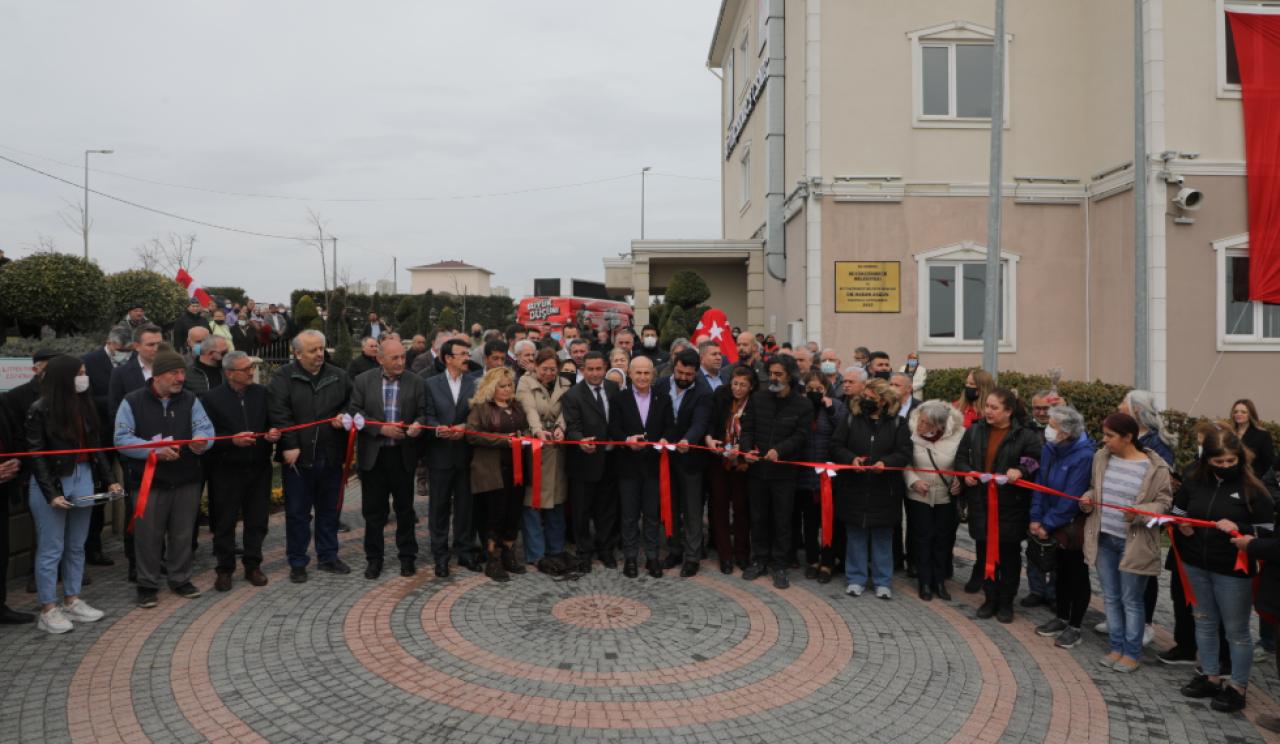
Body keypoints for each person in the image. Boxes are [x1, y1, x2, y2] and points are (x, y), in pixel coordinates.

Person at [1173, 426, 1273, 711]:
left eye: (1232, 461)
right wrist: (1181, 524)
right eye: (1219, 462)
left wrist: (1239, 528)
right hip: (1196, 564)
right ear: (1207, 460)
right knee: (1204, 622)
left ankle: (1238, 687)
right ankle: (1210, 676)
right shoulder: (1193, 480)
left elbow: (1268, 532)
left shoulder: (1254, 489)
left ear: (1240, 457)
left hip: (1233, 572)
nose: (1226, 466)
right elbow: (1176, 511)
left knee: (1236, 631)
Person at [26, 355, 121, 633]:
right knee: (51, 547)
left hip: (83, 477)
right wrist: (51, 493)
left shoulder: (84, 405)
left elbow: (95, 447)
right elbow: (36, 455)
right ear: (64, 377)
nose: (84, 378)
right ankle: (48, 608)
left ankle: (72, 599)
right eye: (79, 373)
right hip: (54, 480)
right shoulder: (39, 409)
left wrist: (110, 481)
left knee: (76, 544)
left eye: (84, 372)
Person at [115, 349, 214, 608]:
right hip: (149, 482)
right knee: (148, 536)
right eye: (174, 373)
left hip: (186, 479)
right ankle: (147, 584)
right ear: (157, 375)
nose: (181, 378)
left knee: (183, 534)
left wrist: (202, 441)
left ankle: (180, 579)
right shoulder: (132, 401)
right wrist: (154, 450)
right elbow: (122, 439)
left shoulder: (190, 399)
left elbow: (205, 428)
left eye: (182, 372)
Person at [1077, 412, 1173, 673]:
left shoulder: (1155, 467)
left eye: (1110, 435)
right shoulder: (1101, 458)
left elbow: (1164, 503)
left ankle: (1132, 652)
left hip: (1135, 543)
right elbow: (1095, 488)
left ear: (1128, 437)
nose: (1104, 440)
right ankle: (1116, 647)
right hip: (1104, 538)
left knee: (1131, 599)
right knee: (1110, 597)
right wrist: (1088, 498)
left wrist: (1141, 512)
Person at [266, 330, 353, 584]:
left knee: (330, 511)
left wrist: (344, 416)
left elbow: (353, 402)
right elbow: (279, 413)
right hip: (298, 459)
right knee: (297, 513)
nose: (319, 354)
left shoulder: (338, 375)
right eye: (313, 350)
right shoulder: (283, 377)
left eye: (321, 348)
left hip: (331, 454)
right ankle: (297, 561)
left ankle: (328, 556)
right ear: (297, 353)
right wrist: (289, 444)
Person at [954, 388, 1042, 623]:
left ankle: (1006, 602)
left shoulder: (1025, 435)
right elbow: (961, 458)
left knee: (1009, 557)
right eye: (987, 406)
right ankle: (989, 598)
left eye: (994, 408)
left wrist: (1021, 470)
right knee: (984, 553)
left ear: (1008, 411)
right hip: (981, 504)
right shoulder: (975, 430)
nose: (988, 411)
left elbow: (1034, 461)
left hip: (1010, 506)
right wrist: (967, 473)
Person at [349, 338, 425, 580]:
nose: (401, 362)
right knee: (374, 512)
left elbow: (424, 412)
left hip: (402, 456)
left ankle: (407, 557)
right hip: (375, 456)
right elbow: (355, 411)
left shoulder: (415, 381)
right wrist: (381, 428)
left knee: (405, 510)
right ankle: (374, 559)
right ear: (380, 359)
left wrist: (418, 425)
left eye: (403, 357)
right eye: (395, 358)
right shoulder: (363, 381)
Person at [202, 352, 279, 591]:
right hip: (226, 470)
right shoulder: (211, 399)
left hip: (259, 468)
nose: (251, 372)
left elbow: (273, 421)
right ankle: (224, 569)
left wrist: (272, 434)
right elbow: (205, 437)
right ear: (229, 373)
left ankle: (253, 565)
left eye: (251, 367)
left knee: (257, 520)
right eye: (245, 369)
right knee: (224, 522)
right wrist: (231, 442)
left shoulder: (262, 393)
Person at [830, 378, 912, 599]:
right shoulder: (850, 419)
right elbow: (835, 446)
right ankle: (855, 579)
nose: (865, 401)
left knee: (883, 537)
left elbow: (905, 453)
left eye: (871, 398)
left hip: (885, 490)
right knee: (855, 535)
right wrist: (851, 459)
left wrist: (886, 463)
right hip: (854, 487)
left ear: (883, 400)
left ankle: (882, 581)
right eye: (864, 396)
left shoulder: (899, 423)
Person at [739, 355, 813, 589]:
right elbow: (747, 428)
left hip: (785, 473)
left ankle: (780, 564)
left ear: (790, 376)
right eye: (770, 373)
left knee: (782, 520)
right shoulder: (758, 398)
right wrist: (746, 450)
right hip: (758, 471)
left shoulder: (803, 405)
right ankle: (759, 559)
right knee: (758, 517)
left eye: (778, 374)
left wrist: (780, 450)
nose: (773, 378)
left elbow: (802, 436)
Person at [1029, 406, 1097, 650]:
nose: (1047, 429)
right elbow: (1041, 484)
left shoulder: (1084, 455)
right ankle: (1061, 616)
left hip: (1070, 527)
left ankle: (1075, 626)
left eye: (1052, 426)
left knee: (1075, 574)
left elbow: (1071, 496)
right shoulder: (1050, 449)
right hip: (1049, 520)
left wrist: (1048, 524)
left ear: (1066, 432)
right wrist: (1036, 517)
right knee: (1059, 573)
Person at [1112, 389, 1175, 646]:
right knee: (1120, 565)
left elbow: (1163, 479)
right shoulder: (1125, 435)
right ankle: (1121, 617)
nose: (1119, 406)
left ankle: (1145, 623)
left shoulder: (1158, 442)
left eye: (1123, 403)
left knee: (1143, 570)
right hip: (1121, 513)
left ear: (1136, 410)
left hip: (1144, 514)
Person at [609, 356, 675, 579]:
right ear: (630, 373)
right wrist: (626, 440)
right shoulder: (619, 398)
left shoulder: (663, 398)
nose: (643, 377)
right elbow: (613, 428)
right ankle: (630, 557)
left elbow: (670, 427)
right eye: (638, 372)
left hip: (653, 466)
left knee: (652, 515)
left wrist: (666, 439)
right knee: (629, 515)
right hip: (628, 466)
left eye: (647, 373)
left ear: (653, 375)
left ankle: (652, 557)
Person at [466, 367, 531, 582]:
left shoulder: (517, 406)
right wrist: (504, 440)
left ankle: (508, 554)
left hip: (517, 469)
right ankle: (492, 559)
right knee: (495, 515)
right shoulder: (481, 408)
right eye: (502, 386)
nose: (507, 389)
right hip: (492, 470)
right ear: (491, 387)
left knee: (513, 513)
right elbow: (472, 435)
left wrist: (524, 437)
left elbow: (526, 429)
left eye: (510, 385)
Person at [423, 338, 480, 577]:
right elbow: (426, 414)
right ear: (448, 358)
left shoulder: (475, 383)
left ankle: (464, 550)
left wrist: (465, 427)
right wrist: (438, 429)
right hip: (440, 454)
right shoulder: (430, 384)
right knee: (439, 507)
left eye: (468, 353)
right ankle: (440, 555)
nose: (467, 357)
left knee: (465, 506)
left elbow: (479, 415)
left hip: (466, 455)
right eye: (462, 354)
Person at [562, 351, 622, 571]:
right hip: (584, 461)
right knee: (582, 510)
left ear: (605, 368)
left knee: (607, 509)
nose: (595, 373)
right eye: (590, 369)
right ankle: (584, 552)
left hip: (611, 459)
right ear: (583, 370)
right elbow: (572, 426)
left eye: (599, 369)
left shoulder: (614, 388)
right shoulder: (573, 395)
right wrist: (580, 440)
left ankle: (605, 549)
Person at [515, 349, 573, 574]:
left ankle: (556, 549)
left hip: (557, 449)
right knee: (533, 501)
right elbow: (529, 409)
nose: (549, 373)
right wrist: (537, 430)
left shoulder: (565, 384)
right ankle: (536, 553)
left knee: (557, 500)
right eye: (544, 369)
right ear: (535, 366)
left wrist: (561, 427)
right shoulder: (525, 382)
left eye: (553, 369)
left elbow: (568, 409)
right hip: (536, 449)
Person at [657, 349, 713, 576]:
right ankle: (674, 550)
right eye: (680, 372)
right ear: (674, 366)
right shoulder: (661, 385)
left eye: (689, 375)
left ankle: (692, 556)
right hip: (665, 458)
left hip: (691, 460)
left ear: (696, 372)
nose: (683, 377)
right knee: (669, 506)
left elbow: (700, 423)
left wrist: (688, 440)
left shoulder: (704, 392)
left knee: (692, 511)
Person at [81, 325, 132, 567]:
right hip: (101, 436)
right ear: (110, 344)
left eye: (129, 350)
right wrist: (117, 400)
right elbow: (85, 398)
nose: (125, 354)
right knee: (98, 493)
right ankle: (93, 547)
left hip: (129, 436)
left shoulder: (134, 364)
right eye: (122, 349)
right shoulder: (89, 362)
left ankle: (133, 544)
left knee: (132, 489)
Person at [905, 400, 964, 601]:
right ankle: (924, 581)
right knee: (922, 538)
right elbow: (904, 462)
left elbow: (963, 462)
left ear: (939, 426)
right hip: (919, 496)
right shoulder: (910, 433)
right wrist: (913, 481)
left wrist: (959, 480)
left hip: (945, 496)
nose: (920, 426)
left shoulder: (959, 435)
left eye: (926, 423)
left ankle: (939, 580)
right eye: (920, 421)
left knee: (942, 539)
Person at [796, 370, 848, 583]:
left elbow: (844, 430)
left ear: (826, 389)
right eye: (810, 389)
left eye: (819, 388)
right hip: (804, 474)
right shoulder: (801, 407)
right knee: (809, 521)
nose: (814, 392)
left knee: (829, 521)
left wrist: (830, 409)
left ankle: (828, 562)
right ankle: (812, 560)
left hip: (829, 476)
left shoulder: (837, 406)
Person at [706, 366, 758, 574]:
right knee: (719, 508)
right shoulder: (721, 395)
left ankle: (742, 553)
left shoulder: (755, 402)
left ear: (751, 387)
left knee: (741, 509)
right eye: (735, 383)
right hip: (720, 459)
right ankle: (725, 556)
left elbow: (756, 430)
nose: (737, 388)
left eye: (743, 385)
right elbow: (711, 422)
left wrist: (745, 450)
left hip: (742, 463)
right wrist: (710, 438)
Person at [108, 324, 163, 423]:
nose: (156, 349)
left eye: (159, 344)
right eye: (151, 345)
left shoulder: (173, 369)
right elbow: (115, 410)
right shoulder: (121, 373)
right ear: (137, 346)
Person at [1230, 399, 1275, 480]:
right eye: (1236, 412)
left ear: (1251, 414)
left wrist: (1258, 479)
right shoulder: (1227, 434)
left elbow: (1268, 462)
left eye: (1243, 412)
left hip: (1253, 480)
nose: (1238, 414)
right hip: (1230, 480)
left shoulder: (1262, 435)